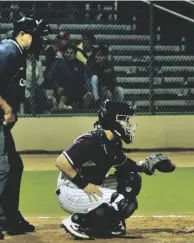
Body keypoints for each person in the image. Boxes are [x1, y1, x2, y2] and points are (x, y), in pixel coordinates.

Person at [55, 100, 176, 239]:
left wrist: (145, 165)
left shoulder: (112, 143)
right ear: (113, 120)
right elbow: (61, 162)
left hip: (88, 186)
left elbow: (124, 164)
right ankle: (78, 221)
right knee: (121, 202)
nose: (129, 124)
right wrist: (84, 185)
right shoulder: (91, 140)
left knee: (131, 179)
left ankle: (109, 223)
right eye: (125, 119)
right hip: (72, 191)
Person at [0, 17, 50, 239]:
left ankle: (9, 218)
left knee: (14, 166)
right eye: (36, 36)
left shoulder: (17, 54)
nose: (40, 41)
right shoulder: (9, 51)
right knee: (3, 168)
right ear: (22, 34)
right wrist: (7, 107)